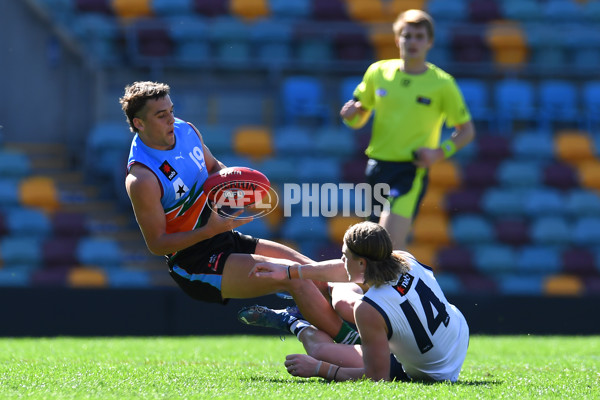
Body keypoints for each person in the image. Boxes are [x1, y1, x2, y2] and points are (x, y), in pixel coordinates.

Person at [120, 81, 360, 345]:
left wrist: (235, 189)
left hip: (222, 238)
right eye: (161, 115)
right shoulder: (142, 177)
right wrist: (209, 230)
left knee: (312, 272)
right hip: (194, 262)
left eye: (171, 110)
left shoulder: (186, 131)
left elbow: (215, 169)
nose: (171, 119)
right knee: (295, 278)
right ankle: (357, 345)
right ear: (139, 123)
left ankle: (302, 319)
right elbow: (157, 244)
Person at [238, 221, 469, 382]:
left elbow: (377, 377)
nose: (341, 260)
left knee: (320, 350)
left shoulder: (368, 309)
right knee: (343, 302)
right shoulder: (406, 259)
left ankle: (294, 321)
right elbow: (347, 271)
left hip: (433, 371)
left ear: (362, 263)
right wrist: (291, 272)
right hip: (457, 337)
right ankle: (319, 306)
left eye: (344, 255)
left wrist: (320, 369)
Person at [340, 9, 476, 250]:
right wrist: (351, 116)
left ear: (429, 42)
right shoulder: (378, 72)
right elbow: (359, 116)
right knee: (374, 249)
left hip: (409, 169)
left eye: (419, 36)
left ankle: (401, 285)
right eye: (407, 35)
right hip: (377, 167)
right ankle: (386, 285)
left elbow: (466, 131)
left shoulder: (442, 84)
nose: (412, 42)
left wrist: (438, 153)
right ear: (397, 39)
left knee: (387, 243)